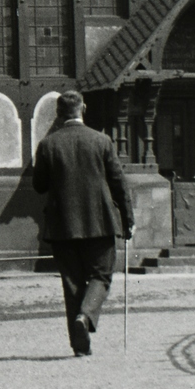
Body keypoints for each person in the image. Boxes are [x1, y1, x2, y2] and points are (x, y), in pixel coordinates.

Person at [31, 90, 133, 357]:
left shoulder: (47, 144)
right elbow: (119, 183)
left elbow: (39, 185)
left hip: (63, 224)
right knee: (101, 275)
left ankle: (79, 344)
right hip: (100, 223)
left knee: (72, 282)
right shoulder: (102, 141)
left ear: (58, 113)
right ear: (83, 108)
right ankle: (85, 316)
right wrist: (128, 219)